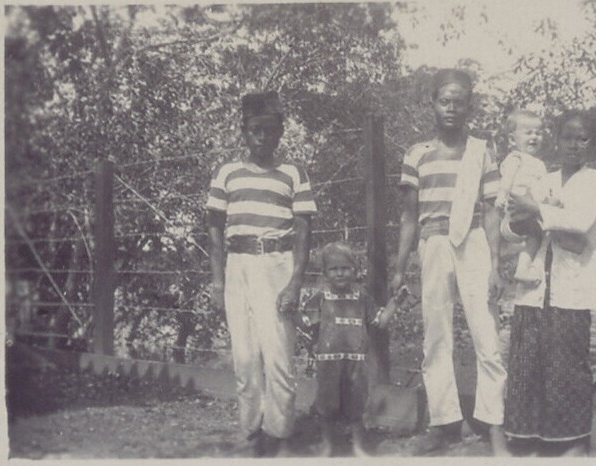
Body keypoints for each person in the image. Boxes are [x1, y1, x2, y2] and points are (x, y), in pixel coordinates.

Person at [389, 69, 508, 455]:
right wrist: (400, 267)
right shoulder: (417, 154)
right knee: (436, 336)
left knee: (486, 334)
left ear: (469, 106)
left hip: (473, 243)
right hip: (434, 244)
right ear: (433, 104)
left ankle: (494, 424)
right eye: (445, 101)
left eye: (459, 102)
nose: (452, 108)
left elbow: (491, 212)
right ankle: (443, 424)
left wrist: (496, 265)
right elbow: (409, 217)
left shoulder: (481, 152)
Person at [206, 91, 317, 457]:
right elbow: (215, 228)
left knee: (279, 353)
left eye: (270, 130)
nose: (263, 137)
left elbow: (304, 230)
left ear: (280, 132)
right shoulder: (227, 173)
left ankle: (280, 433)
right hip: (238, 266)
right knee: (245, 356)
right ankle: (252, 430)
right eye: (255, 130)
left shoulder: (293, 173)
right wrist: (218, 281)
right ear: (244, 131)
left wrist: (295, 281)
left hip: (277, 264)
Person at [501, 109, 596, 456]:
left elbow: (579, 222)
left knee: (567, 365)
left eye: (582, 139)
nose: (574, 145)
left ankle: (571, 442)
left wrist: (537, 212)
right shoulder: (543, 179)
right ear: (558, 140)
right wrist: (537, 217)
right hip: (533, 287)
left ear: (592, 144)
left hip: (571, 287)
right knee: (528, 363)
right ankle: (528, 439)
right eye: (567, 137)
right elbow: (510, 224)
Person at [299, 242, 398, 457]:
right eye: (333, 269)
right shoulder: (320, 298)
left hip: (356, 363)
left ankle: (358, 447)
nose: (340, 273)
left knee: (356, 404)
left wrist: (394, 303)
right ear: (325, 273)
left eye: (345, 268)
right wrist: (291, 313)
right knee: (326, 404)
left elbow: (379, 322)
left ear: (354, 270)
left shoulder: (362, 298)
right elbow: (307, 324)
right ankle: (327, 446)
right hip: (328, 362)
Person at [496, 110, 553, 286]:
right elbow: (507, 180)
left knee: (542, 234)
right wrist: (502, 196)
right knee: (536, 234)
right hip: (517, 213)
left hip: (533, 211)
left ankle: (535, 268)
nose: (534, 137)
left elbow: (544, 187)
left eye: (538, 133)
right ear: (512, 140)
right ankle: (522, 269)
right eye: (528, 133)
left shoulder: (539, 163)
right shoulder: (516, 158)